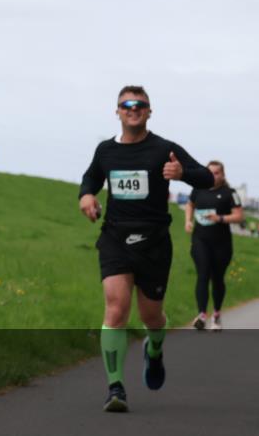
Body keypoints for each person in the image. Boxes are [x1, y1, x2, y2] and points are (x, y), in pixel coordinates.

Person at [79, 86, 213, 412]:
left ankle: (154, 350)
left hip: (153, 243)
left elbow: (207, 178)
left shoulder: (164, 149)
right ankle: (115, 387)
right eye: (127, 104)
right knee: (116, 309)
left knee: (151, 316)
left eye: (140, 105)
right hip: (115, 239)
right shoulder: (106, 150)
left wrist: (183, 173)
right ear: (118, 111)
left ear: (149, 111)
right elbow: (90, 179)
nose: (133, 109)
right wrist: (86, 197)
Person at [184, 161, 244, 331]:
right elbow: (190, 204)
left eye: (217, 173)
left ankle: (216, 314)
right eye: (210, 172)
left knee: (217, 279)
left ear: (223, 175)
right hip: (200, 240)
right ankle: (202, 315)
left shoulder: (229, 193)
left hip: (221, 243)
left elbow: (239, 216)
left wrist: (221, 218)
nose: (213, 175)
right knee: (202, 274)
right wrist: (188, 221)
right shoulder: (198, 189)